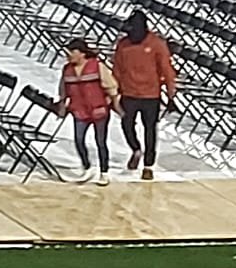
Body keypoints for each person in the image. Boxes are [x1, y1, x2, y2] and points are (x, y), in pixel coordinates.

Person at [112, 10, 177, 180]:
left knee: (150, 130)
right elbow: (117, 68)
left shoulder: (156, 44)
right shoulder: (123, 44)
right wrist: (114, 92)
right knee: (126, 124)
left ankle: (148, 165)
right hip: (129, 92)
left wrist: (171, 95)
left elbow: (166, 69)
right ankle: (135, 149)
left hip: (151, 95)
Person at [58, 38, 120, 186]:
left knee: (101, 142)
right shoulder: (67, 70)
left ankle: (104, 172)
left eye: (72, 52)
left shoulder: (98, 66)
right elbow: (63, 89)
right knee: (79, 139)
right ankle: (86, 167)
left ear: (81, 53)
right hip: (79, 111)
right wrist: (62, 105)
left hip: (98, 110)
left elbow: (111, 86)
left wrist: (115, 104)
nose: (69, 55)